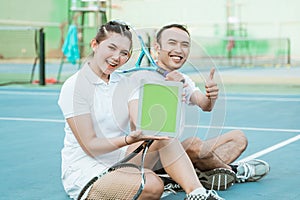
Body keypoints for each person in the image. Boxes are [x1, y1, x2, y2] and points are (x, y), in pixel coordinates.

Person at [58, 20, 224, 200]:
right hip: (87, 173)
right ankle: (159, 178)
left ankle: (197, 193)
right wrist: (129, 138)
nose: (116, 57)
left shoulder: (124, 83)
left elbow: (147, 124)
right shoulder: (75, 86)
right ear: (95, 45)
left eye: (123, 53)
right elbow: (90, 146)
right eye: (111, 48)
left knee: (163, 136)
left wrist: (172, 90)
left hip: (120, 161)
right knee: (153, 186)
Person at [127, 23, 270, 193]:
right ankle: (233, 172)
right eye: (172, 43)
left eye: (185, 45)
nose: (179, 49)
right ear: (157, 47)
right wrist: (169, 94)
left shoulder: (183, 79)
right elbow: (147, 128)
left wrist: (211, 96)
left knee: (238, 138)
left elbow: (205, 105)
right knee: (194, 144)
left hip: (174, 152)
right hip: (146, 155)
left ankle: (189, 175)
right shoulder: (140, 78)